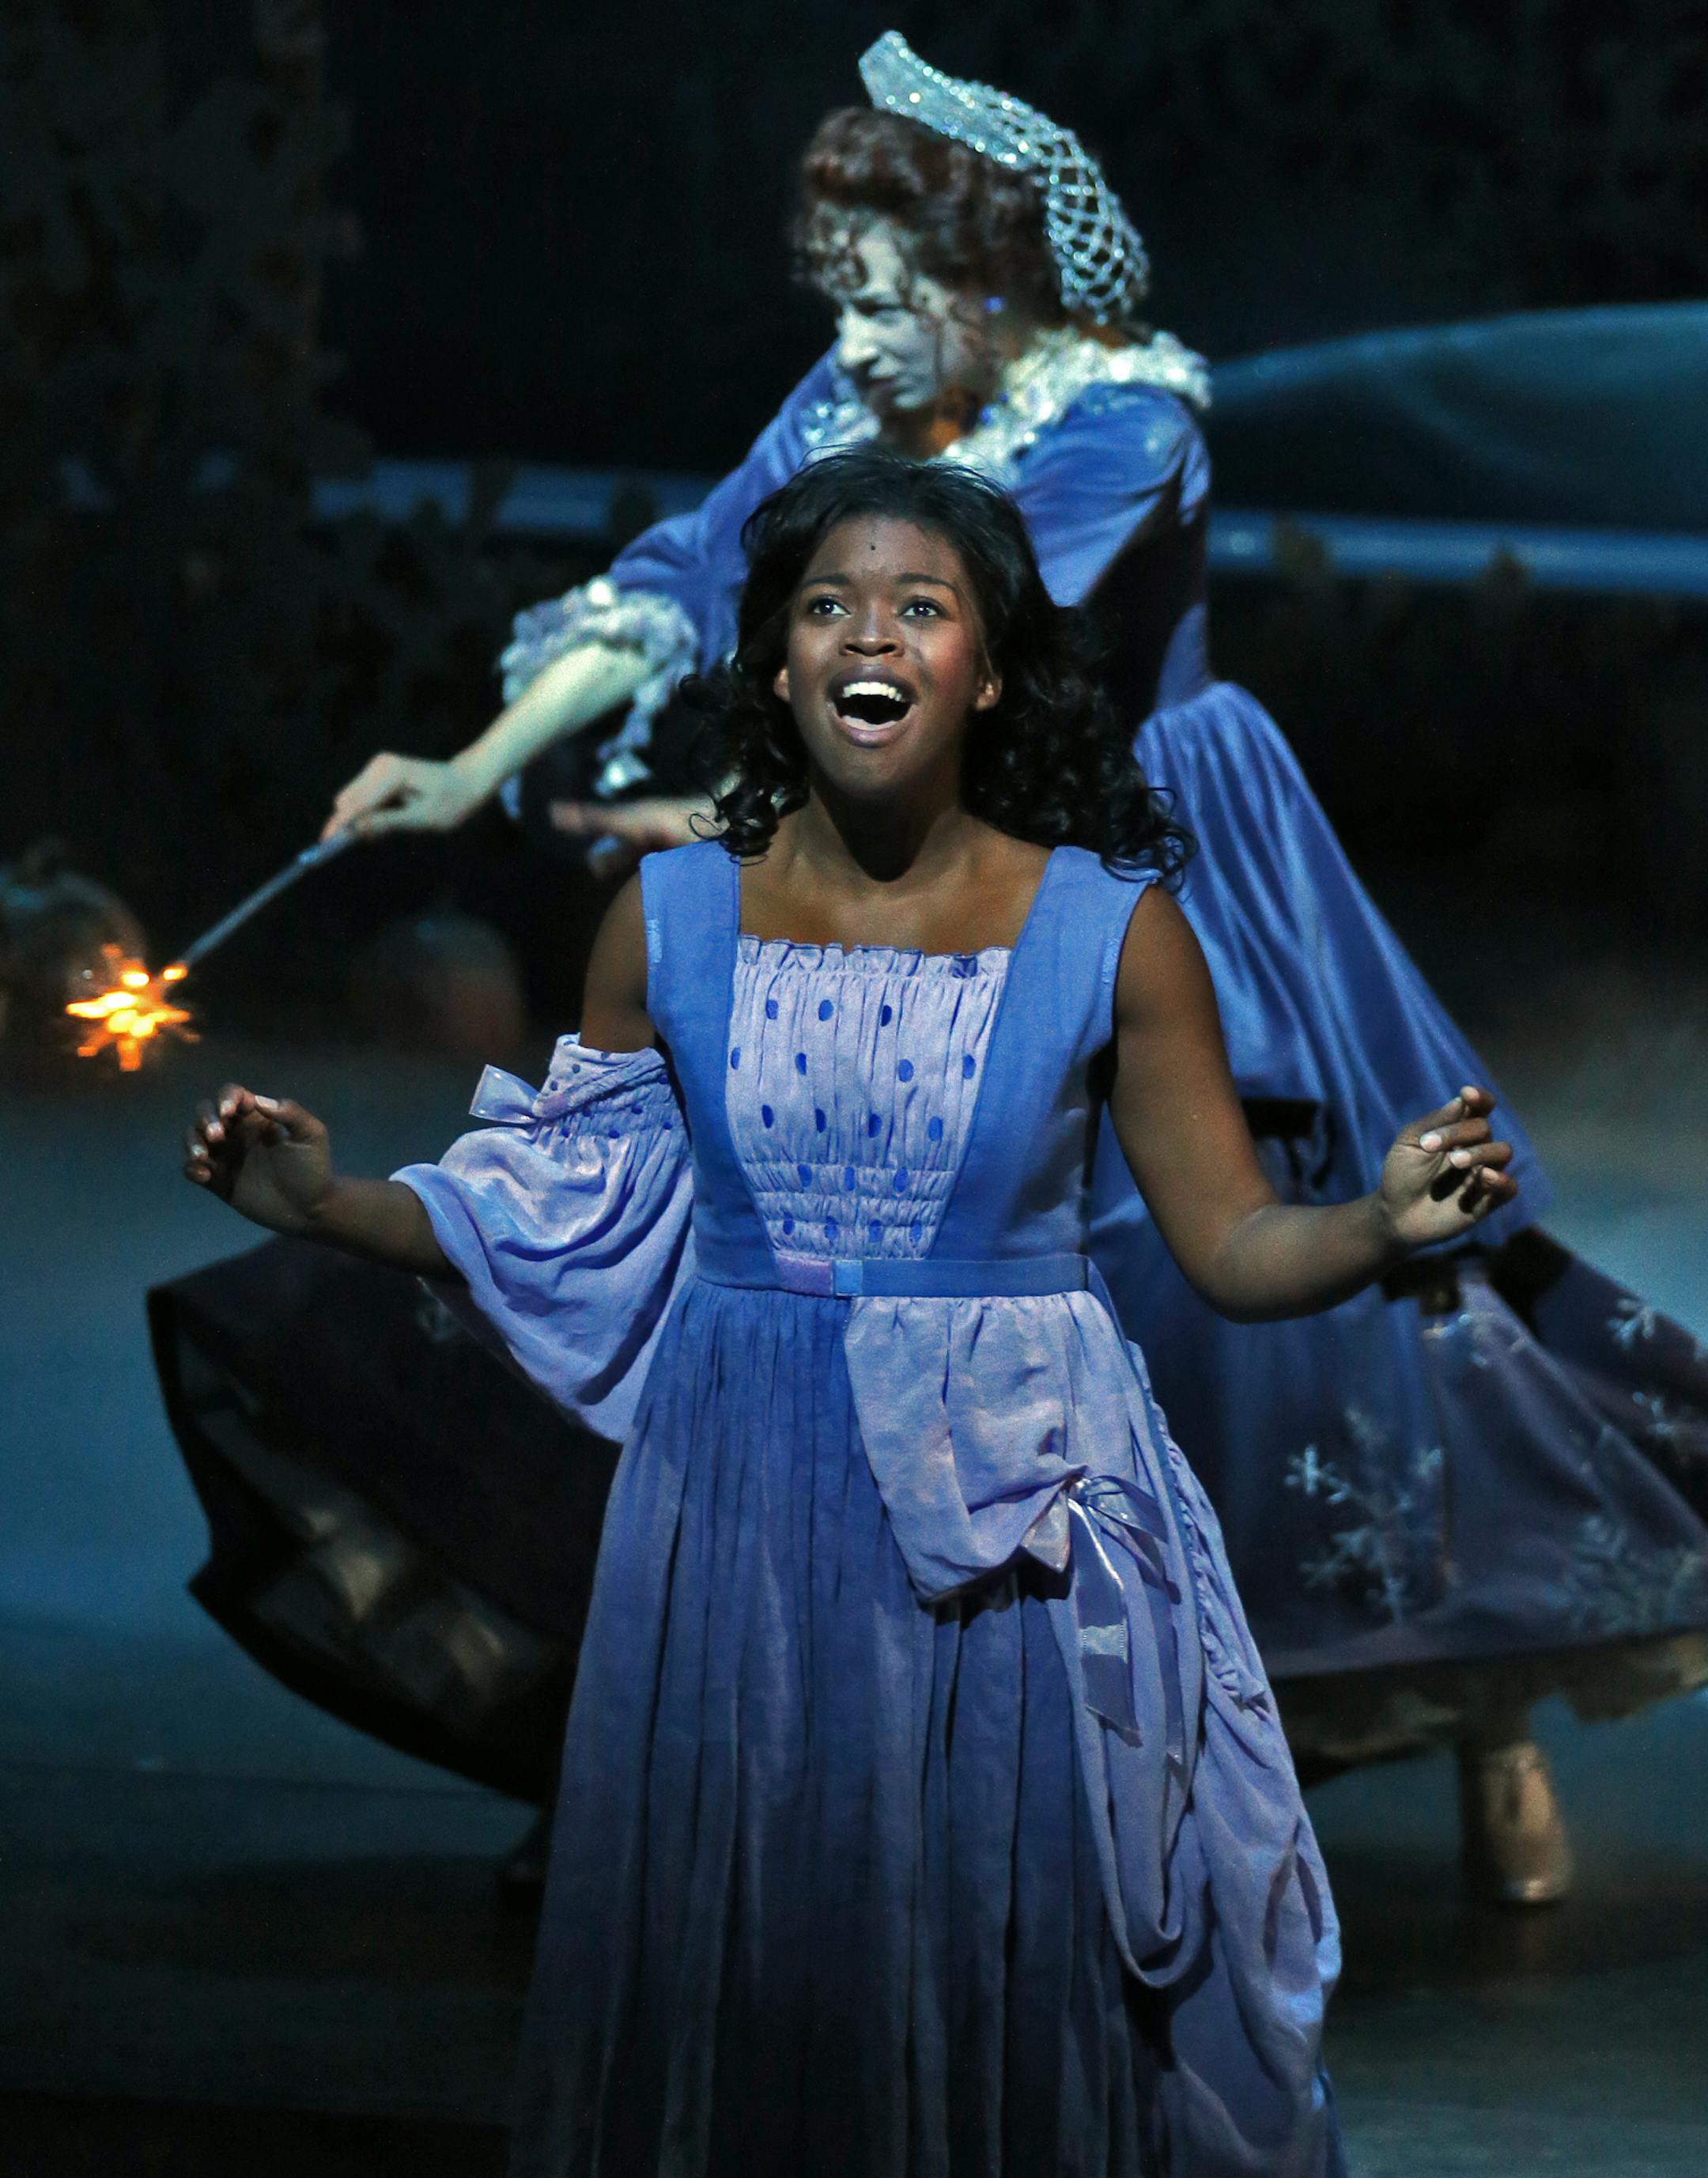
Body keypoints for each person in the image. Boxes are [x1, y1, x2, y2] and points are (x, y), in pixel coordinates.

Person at [304, 32, 1708, 1905]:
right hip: (892, 868)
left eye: (888, 301)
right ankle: (657, 1735)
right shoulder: (863, 390)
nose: (856, 341)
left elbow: (955, 650)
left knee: (1275, 1329)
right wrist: (481, 765)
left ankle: (1479, 1715)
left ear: (986, 286)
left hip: (1132, 848)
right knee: (781, 1287)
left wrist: (720, 809)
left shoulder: (1128, 421)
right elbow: (687, 570)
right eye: (844, 303)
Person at [182, 448, 1532, 2176]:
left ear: (983, 665)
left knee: (1008, 1934)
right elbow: (558, 1207)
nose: (867, 635)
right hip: (737, 1506)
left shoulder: (1114, 931)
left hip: (1014, 1524)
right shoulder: (663, 918)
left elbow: (1230, 1248)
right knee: (761, 1943)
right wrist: (329, 1206)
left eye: (920, 605)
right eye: (827, 605)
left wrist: (1377, 1223)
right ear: (772, 662)